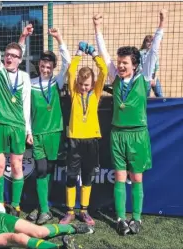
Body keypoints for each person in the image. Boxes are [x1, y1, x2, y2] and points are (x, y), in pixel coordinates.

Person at [93, 9, 167, 235]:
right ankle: (120, 218)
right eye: (119, 62)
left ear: (135, 65)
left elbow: (153, 52)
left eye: (125, 62)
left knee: (136, 177)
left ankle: (136, 218)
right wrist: (97, 28)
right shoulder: (115, 78)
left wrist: (161, 24)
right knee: (120, 177)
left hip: (138, 135)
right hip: (117, 134)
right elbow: (104, 55)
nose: (121, 66)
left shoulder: (144, 78)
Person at [0, 13, 32, 216]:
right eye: (8, 55)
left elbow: (26, 104)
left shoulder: (24, 77)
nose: (9, 57)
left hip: (18, 126)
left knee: (16, 165)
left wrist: (28, 129)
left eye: (14, 56)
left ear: (20, 60)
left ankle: (16, 205)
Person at [59, 42, 107, 226]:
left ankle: (84, 210)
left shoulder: (95, 93)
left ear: (92, 84)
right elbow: (71, 71)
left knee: (87, 176)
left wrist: (94, 53)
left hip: (92, 140)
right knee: (71, 175)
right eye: (80, 84)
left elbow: (103, 70)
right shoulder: (74, 93)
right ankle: (70, 211)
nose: (83, 87)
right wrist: (79, 52)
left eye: (86, 84)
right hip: (74, 140)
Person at [26, 28, 71, 224]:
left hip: (55, 133)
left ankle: (42, 206)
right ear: (38, 66)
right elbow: (25, 111)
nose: (45, 69)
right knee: (41, 170)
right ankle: (44, 210)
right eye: (43, 66)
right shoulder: (30, 83)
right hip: (37, 134)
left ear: (53, 67)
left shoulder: (57, 81)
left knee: (50, 170)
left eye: (49, 67)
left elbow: (68, 62)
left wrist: (59, 39)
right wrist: (28, 131)